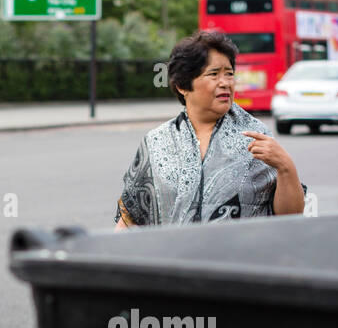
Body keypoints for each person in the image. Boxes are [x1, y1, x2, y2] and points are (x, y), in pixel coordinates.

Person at [116, 30, 305, 229]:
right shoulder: (156, 141)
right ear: (182, 85)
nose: (225, 83)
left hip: (235, 258)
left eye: (229, 74)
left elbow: (291, 217)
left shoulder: (256, 136)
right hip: (172, 258)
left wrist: (286, 167)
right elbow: (131, 217)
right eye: (214, 74)